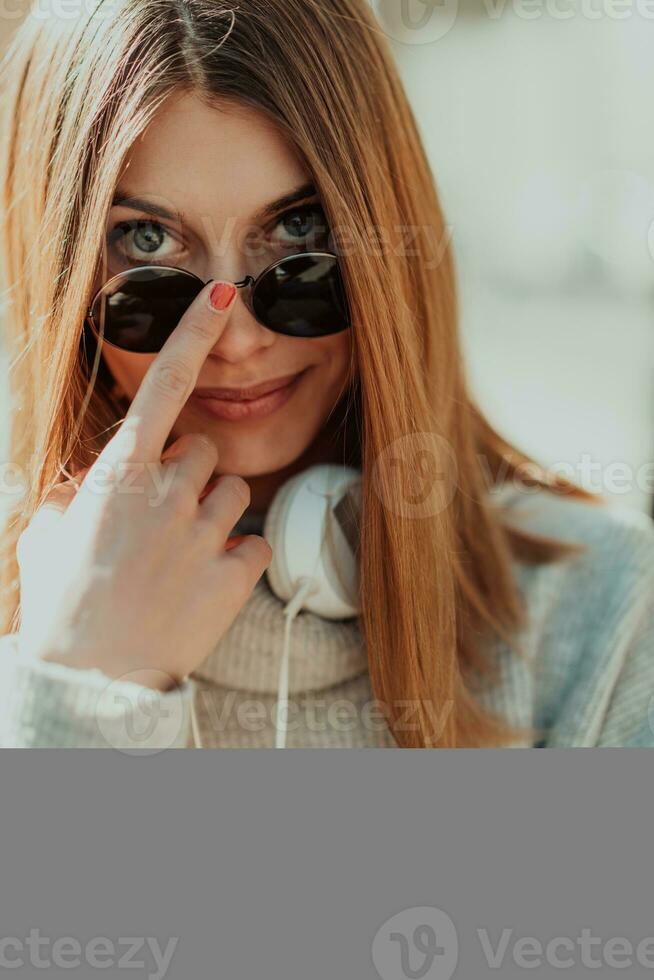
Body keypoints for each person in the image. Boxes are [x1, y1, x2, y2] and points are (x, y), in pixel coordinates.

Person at [0, 0, 652, 749]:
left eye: (300, 230)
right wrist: (73, 685)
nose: (236, 339)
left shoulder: (601, 611)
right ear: (63, 274)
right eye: (147, 239)